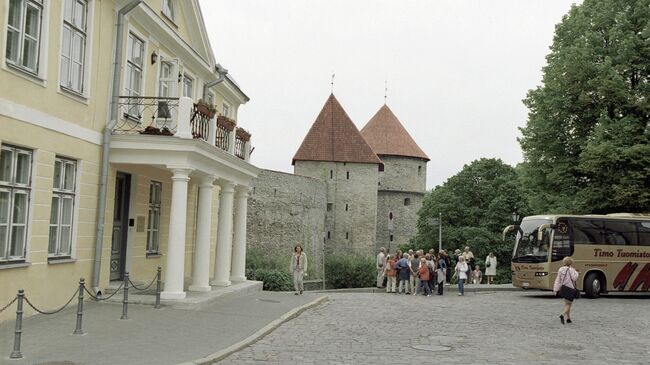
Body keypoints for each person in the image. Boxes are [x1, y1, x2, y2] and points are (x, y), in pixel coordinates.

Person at [553, 256, 580, 324]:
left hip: (564, 289)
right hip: (570, 289)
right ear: (570, 263)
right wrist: (577, 273)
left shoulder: (560, 269)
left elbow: (558, 280)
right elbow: (575, 278)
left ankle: (568, 318)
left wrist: (556, 289)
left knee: (567, 303)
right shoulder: (572, 270)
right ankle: (562, 315)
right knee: (568, 304)